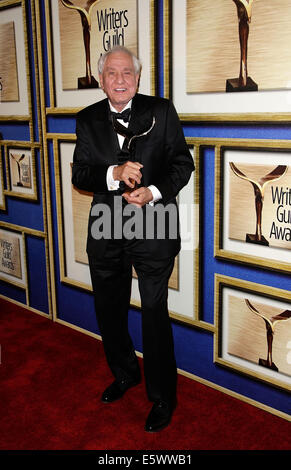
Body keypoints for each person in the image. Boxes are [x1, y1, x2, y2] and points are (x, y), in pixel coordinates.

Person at [72, 46, 194, 432]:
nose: (120, 79)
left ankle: (162, 397)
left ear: (138, 78)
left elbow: (182, 164)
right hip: (106, 228)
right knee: (109, 309)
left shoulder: (161, 111)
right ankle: (125, 373)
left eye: (127, 73)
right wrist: (114, 173)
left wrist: (154, 191)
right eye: (112, 73)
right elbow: (81, 176)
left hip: (154, 226)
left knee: (154, 313)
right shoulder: (87, 119)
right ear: (101, 78)